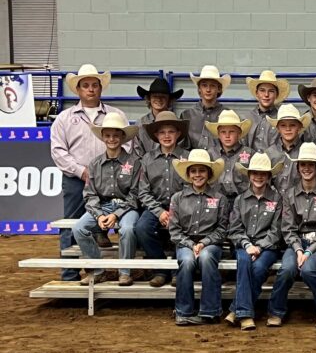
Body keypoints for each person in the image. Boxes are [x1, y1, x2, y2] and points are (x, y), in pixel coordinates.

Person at [51, 64, 129, 281]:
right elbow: (58, 151)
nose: (91, 89)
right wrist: (80, 171)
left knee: (121, 220)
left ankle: (112, 269)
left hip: (112, 179)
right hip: (77, 179)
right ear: (78, 90)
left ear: (100, 88)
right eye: (85, 85)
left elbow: (128, 147)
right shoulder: (64, 118)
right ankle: (69, 273)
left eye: (94, 85)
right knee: (72, 222)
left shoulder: (116, 115)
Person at [268, 143, 316, 328]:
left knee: (308, 269)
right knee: (287, 269)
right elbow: (288, 228)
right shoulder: (289, 195)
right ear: (298, 168)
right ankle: (276, 311)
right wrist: (298, 250)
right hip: (296, 243)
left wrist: (308, 252)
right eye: (303, 164)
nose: (306, 168)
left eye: (311, 164)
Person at [73, 113, 141, 286]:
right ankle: (97, 270)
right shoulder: (95, 164)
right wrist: (99, 215)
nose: (112, 139)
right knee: (79, 228)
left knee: (127, 228)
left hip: (127, 208)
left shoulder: (135, 163)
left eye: (116, 135)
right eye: (108, 135)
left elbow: (135, 194)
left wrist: (116, 215)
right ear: (103, 137)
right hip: (102, 206)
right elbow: (90, 193)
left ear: (123, 137)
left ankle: (125, 272)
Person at [225, 154, 284, 331]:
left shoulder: (277, 199)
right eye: (255, 173)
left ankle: (237, 309)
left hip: (267, 247)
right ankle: (245, 315)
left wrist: (259, 246)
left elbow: (276, 231)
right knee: (244, 261)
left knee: (258, 269)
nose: (259, 177)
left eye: (263, 173)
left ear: (268, 176)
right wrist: (247, 245)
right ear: (249, 175)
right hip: (244, 245)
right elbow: (234, 229)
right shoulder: (240, 200)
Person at [169, 149, 228, 326]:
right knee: (186, 262)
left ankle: (210, 311)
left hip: (211, 242)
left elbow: (222, 228)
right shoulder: (177, 198)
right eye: (193, 171)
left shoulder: (220, 198)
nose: (197, 175)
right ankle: (183, 311)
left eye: (202, 170)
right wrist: (190, 244)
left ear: (209, 173)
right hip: (185, 242)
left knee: (207, 257)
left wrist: (204, 243)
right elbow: (174, 230)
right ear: (188, 174)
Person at [136, 111, 190, 287]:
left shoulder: (188, 158)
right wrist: (159, 212)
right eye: (162, 132)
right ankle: (161, 269)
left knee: (187, 227)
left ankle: (177, 269)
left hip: (183, 206)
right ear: (156, 135)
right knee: (142, 228)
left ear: (178, 134)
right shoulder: (147, 159)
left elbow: (193, 186)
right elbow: (143, 192)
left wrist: (175, 209)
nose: (167, 136)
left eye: (171, 131)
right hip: (156, 206)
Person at [205, 109, 254, 214]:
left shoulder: (249, 154)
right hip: (216, 201)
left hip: (242, 201)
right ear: (218, 134)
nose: (227, 136)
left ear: (239, 133)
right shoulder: (210, 154)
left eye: (231, 131)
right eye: (223, 132)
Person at [180, 65, 230, 150]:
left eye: (212, 86)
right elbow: (182, 147)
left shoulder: (227, 114)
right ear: (199, 89)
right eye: (204, 85)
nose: (208, 90)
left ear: (219, 89)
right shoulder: (187, 115)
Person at [264, 104, 312, 194]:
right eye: (283, 125)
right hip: (274, 203)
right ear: (277, 128)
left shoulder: (306, 152)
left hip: (299, 203)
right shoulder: (269, 154)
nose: (288, 129)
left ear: (299, 127)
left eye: (292, 125)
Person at [133, 77, 184, 158]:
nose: (159, 99)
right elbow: (137, 152)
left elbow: (182, 149)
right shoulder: (141, 124)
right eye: (155, 96)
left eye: (163, 97)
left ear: (169, 100)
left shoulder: (178, 124)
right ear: (149, 99)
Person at [245, 70, 289, 152]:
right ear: (256, 93)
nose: (266, 95)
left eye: (271, 91)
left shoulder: (281, 119)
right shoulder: (247, 118)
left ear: (277, 95)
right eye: (262, 90)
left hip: (274, 163)